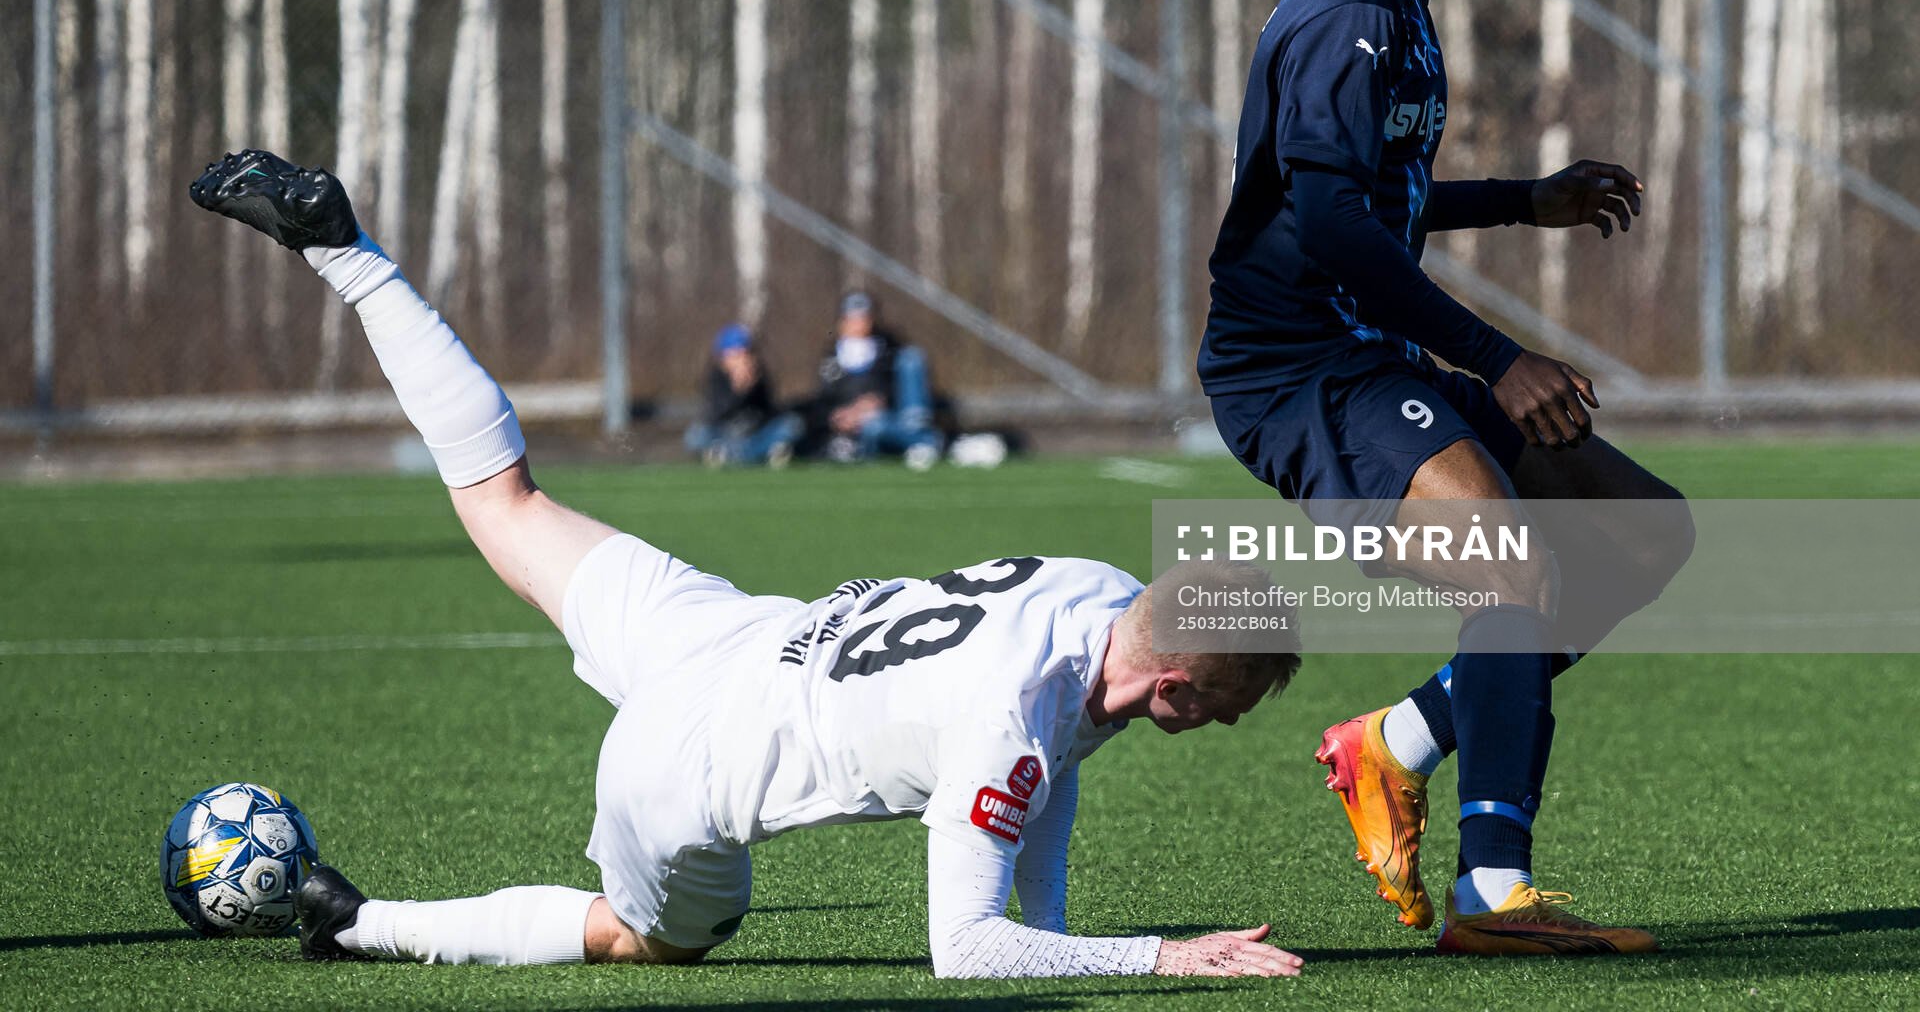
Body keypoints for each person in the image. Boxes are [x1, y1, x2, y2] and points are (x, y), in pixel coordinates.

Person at [189, 150, 1305, 979]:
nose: (1219, 722)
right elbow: (964, 948)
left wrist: (1056, 930)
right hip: (684, 764)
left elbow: (1072, 736)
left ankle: (346, 254)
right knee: (645, 939)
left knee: (503, 495)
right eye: (1219, 705)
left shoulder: (1106, 593)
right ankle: (360, 920)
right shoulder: (1011, 715)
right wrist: (1161, 955)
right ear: (1171, 685)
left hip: (728, 628)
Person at [1198, 0, 1694, 954]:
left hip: (1366, 354)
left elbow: (1374, 201)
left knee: (1643, 530)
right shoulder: (1344, 16)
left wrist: (1526, 202)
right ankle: (1494, 895)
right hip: (1302, 375)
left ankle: (1399, 742)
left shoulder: (1395, 4)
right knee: (1511, 572)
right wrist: (1497, 354)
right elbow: (1331, 231)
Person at [808, 291, 943, 469]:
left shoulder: (889, 349)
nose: (859, 324)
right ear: (843, 321)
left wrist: (877, 401)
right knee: (873, 428)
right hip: (858, 428)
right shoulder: (831, 360)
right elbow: (823, 402)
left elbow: (898, 388)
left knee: (912, 359)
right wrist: (843, 415)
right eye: (853, 318)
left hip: (889, 417)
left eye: (864, 318)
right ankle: (924, 442)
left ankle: (917, 435)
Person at [684, 323, 801, 467]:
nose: (742, 359)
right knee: (696, 435)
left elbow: (769, 411)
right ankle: (725, 454)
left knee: (791, 424)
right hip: (726, 436)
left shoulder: (760, 376)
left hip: (754, 436)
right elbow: (716, 414)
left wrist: (753, 386)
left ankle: (757, 453)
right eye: (736, 353)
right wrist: (738, 390)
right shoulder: (716, 378)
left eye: (746, 353)